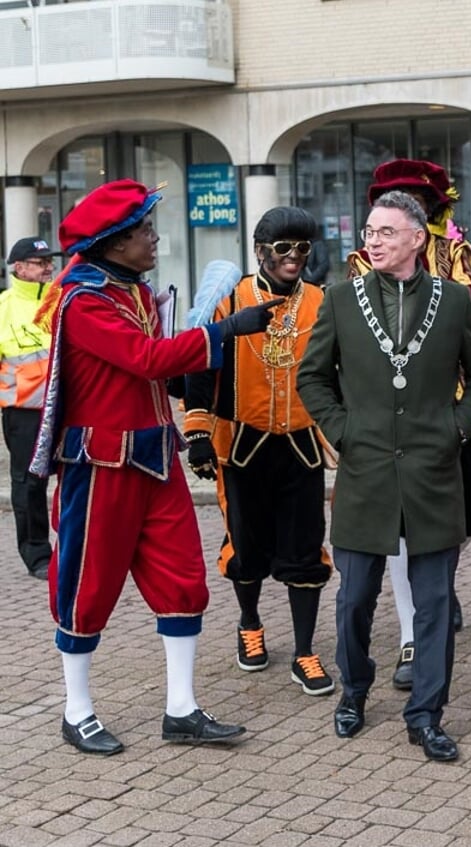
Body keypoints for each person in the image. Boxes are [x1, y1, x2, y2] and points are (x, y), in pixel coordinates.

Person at [33, 179, 279, 754]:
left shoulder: (134, 291)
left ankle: (181, 708)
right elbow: (144, 360)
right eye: (144, 230)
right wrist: (220, 331)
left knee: (183, 581)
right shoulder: (85, 301)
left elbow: (155, 368)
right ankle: (77, 710)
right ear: (116, 243)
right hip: (100, 463)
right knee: (87, 587)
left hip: (154, 456)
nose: (154, 238)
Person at [297, 190, 471, 762]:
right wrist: (344, 430)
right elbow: (314, 378)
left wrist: (455, 427)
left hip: (434, 474)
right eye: (369, 231)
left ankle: (427, 714)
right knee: (355, 598)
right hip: (366, 472)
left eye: (386, 231)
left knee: (434, 601)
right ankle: (355, 690)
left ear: (417, 238)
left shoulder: (454, 301)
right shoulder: (340, 299)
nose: (374, 240)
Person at [347, 159, 471, 688]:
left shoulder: (457, 261)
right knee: (399, 533)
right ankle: (414, 635)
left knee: (446, 528)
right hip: (387, 428)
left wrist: (460, 421)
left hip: (444, 415)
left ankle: (437, 594)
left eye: (413, 202)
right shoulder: (360, 265)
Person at [183, 207, 334, 696]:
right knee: (247, 546)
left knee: (306, 547)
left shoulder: (321, 301)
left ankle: (305, 651)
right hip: (242, 446)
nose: (295, 257)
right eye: (284, 248)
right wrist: (199, 432)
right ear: (262, 251)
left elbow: (338, 369)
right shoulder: (231, 299)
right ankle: (249, 623)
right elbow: (201, 367)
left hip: (301, 444)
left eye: (303, 248)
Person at [1, 236, 61, 579]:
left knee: (76, 479)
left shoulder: (61, 300)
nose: (47, 267)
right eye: (40, 263)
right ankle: (37, 555)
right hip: (24, 413)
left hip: (67, 405)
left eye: (48, 262)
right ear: (19, 268)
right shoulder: (3, 307)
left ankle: (77, 548)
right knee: (29, 484)